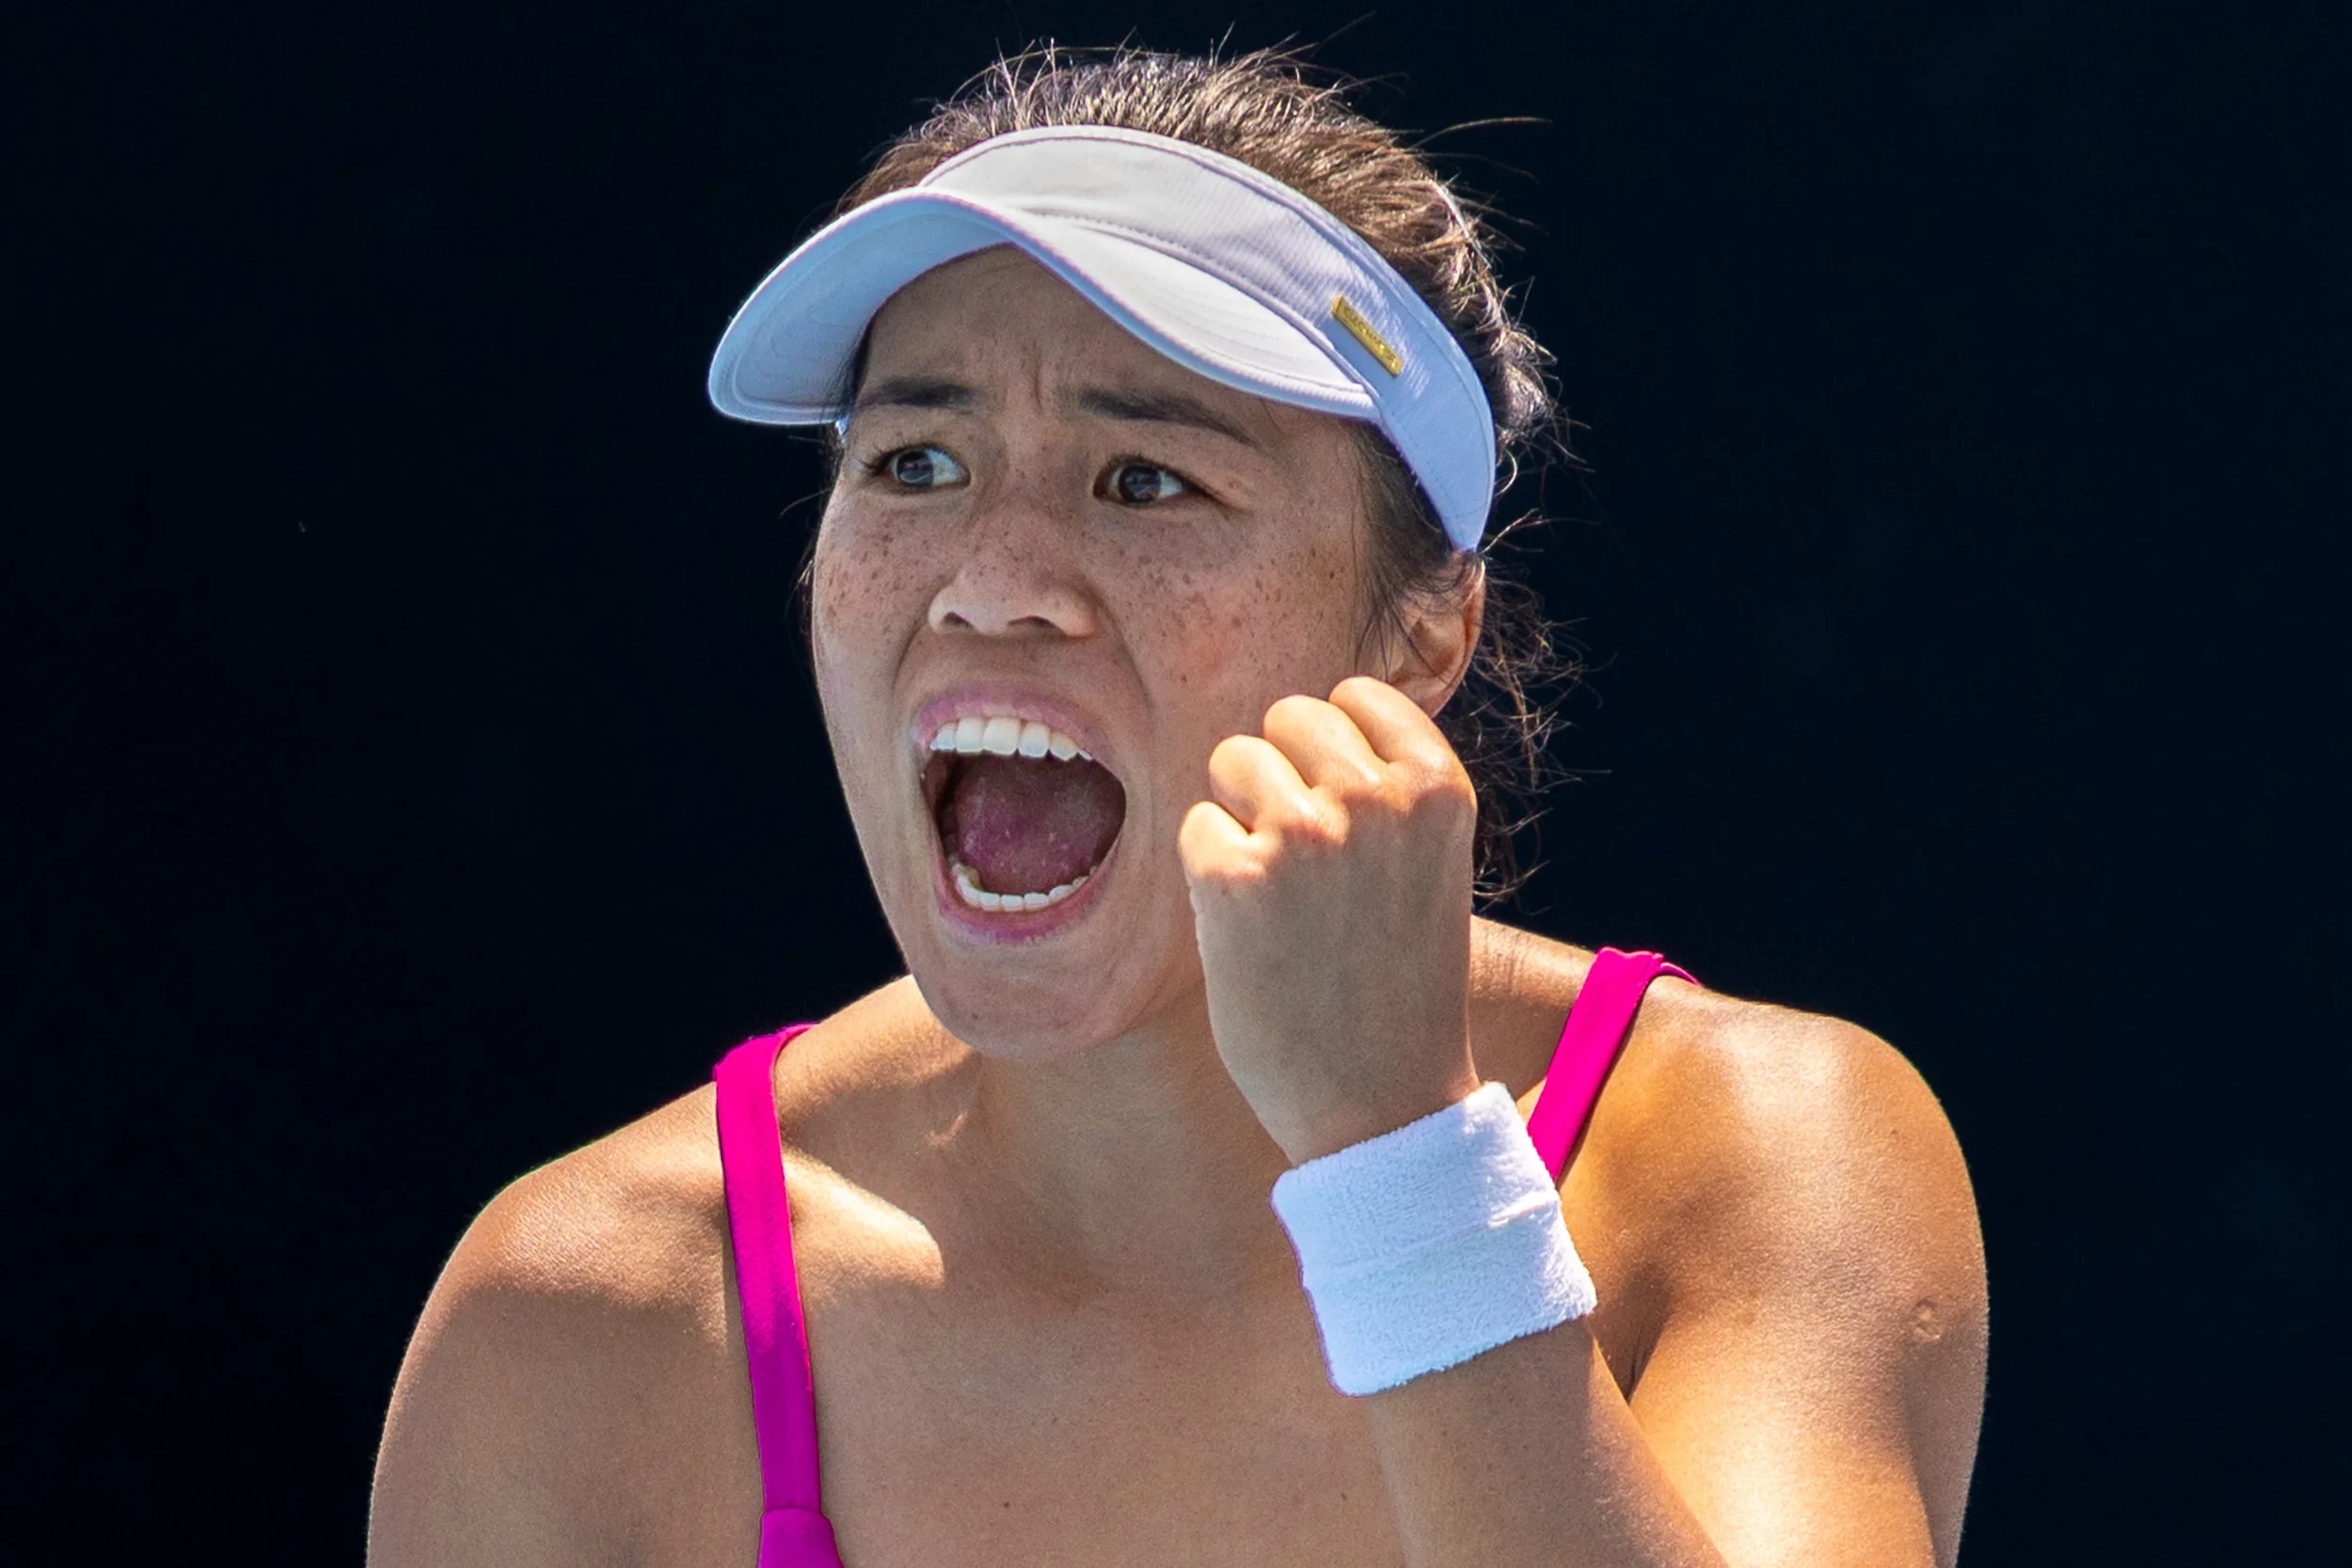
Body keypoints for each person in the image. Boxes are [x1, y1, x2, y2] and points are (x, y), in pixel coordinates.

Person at [370, 46, 1986, 1568]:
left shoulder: (1764, 1157)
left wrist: (1400, 1157)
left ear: (1426, 630)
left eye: (1148, 479)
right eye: (914, 461)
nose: (993, 581)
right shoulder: (580, 1322)